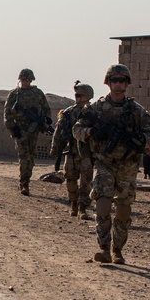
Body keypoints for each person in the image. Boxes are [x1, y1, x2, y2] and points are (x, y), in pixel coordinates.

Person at [72, 64, 150, 264]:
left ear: (127, 83)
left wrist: (137, 138)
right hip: (104, 162)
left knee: (123, 208)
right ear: (108, 82)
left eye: (122, 80)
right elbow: (77, 129)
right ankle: (103, 248)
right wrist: (91, 132)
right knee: (102, 202)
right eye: (114, 80)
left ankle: (117, 249)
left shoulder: (137, 111)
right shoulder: (96, 109)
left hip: (128, 164)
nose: (118, 84)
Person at [4, 68, 51, 196]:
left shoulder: (38, 93)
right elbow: (7, 114)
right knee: (24, 157)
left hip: (33, 131)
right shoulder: (14, 95)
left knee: (31, 157)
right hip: (20, 130)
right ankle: (24, 183)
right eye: (22, 80)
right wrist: (13, 128)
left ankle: (26, 179)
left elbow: (46, 109)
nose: (24, 83)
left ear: (31, 80)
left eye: (27, 80)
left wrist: (47, 119)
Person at [50, 82, 94, 218]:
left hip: (86, 152)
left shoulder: (93, 112)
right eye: (76, 95)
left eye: (80, 95)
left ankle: (83, 208)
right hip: (71, 151)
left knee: (86, 181)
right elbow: (58, 131)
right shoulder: (68, 112)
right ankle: (74, 203)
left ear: (87, 96)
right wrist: (54, 147)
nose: (77, 97)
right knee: (70, 179)